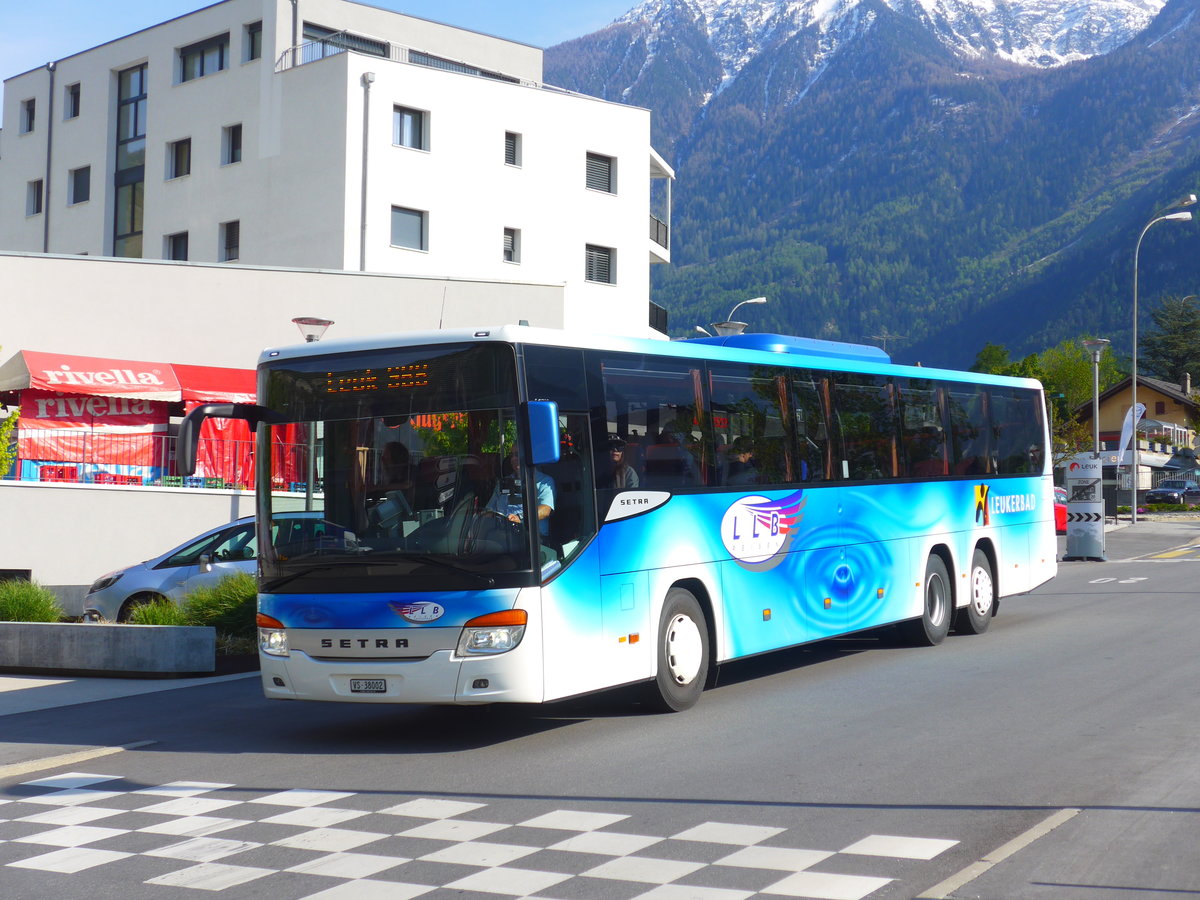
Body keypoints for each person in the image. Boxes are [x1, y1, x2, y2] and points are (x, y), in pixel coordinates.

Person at [485, 444, 555, 536]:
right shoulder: (503, 483)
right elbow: (489, 510)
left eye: (517, 455)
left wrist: (520, 518)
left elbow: (545, 510)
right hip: (501, 535)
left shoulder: (544, 482)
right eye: (512, 455)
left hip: (531, 540)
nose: (513, 459)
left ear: (530, 457)